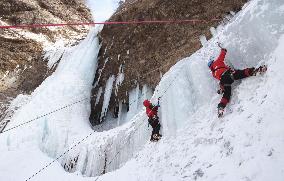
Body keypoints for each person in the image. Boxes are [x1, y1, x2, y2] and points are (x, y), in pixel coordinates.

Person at [208, 47, 267, 117]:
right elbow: (222, 55)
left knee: (227, 94)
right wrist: (223, 50)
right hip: (229, 74)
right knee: (241, 73)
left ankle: (221, 107)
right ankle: (256, 70)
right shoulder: (217, 62)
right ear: (213, 62)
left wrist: (222, 88)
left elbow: (221, 80)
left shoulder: (213, 73)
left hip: (223, 81)